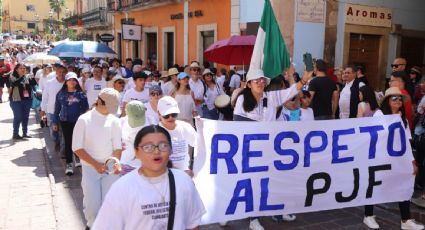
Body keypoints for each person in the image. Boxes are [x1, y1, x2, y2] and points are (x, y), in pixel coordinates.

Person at [233, 67, 312, 230]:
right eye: (257, 80)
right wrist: (263, 129)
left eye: (262, 80)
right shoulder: (242, 100)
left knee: (276, 180)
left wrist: (303, 80)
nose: (260, 82)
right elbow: (238, 123)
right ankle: (253, 218)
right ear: (249, 84)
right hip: (252, 150)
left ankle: (280, 209)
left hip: (271, 149)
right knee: (254, 183)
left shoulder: (271, 97)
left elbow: (291, 92)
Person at [92, 125, 205, 229]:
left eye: (163, 145)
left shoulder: (183, 181)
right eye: (148, 147)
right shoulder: (122, 188)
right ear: (136, 152)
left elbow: (193, 225)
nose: (156, 151)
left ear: (171, 150)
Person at [362, 87, 424, 230]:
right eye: (394, 98)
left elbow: (407, 141)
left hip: (398, 159)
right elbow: (379, 134)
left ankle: (406, 220)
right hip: (380, 157)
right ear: (387, 101)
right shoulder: (379, 114)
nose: (398, 101)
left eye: (400, 99)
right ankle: (368, 215)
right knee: (374, 184)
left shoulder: (403, 120)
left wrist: (412, 161)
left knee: (403, 184)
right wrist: (395, 119)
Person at [72, 88, 122, 230]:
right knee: (92, 208)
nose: (110, 110)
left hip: (110, 169)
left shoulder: (114, 121)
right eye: (108, 106)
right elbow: (76, 147)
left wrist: (115, 163)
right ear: (99, 101)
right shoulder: (84, 120)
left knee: (109, 205)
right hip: (90, 168)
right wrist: (95, 164)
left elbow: (117, 146)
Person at [52, 72, 89, 175]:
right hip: (65, 121)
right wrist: (54, 122)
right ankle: (69, 163)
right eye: (69, 80)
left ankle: (77, 157)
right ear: (66, 82)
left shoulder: (81, 94)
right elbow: (57, 109)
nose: (72, 82)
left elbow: (86, 108)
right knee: (68, 142)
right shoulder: (61, 94)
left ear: (77, 82)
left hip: (79, 121)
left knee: (78, 141)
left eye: (74, 80)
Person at [157, 96, 197, 177]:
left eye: (174, 114)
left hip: (184, 175)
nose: (171, 118)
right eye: (166, 115)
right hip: (163, 176)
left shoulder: (186, 127)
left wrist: (202, 127)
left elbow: (199, 146)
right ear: (159, 114)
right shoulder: (155, 132)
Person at [41, 64, 67, 152]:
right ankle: (56, 141)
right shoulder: (49, 83)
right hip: (52, 111)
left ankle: (63, 150)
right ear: (56, 72)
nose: (61, 74)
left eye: (63, 72)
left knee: (63, 132)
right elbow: (45, 97)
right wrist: (43, 109)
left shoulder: (68, 83)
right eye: (60, 72)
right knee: (53, 131)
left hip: (65, 111)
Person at [9, 63, 37, 139]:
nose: (23, 69)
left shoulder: (28, 76)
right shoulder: (12, 76)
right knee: (18, 117)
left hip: (27, 100)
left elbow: (34, 83)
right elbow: (15, 83)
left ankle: (25, 133)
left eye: (24, 68)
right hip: (16, 100)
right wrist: (23, 77)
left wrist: (33, 77)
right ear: (16, 69)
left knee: (25, 117)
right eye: (21, 68)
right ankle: (15, 134)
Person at [120, 101, 146, 174]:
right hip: (123, 165)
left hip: (142, 166)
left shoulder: (151, 121)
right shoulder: (120, 122)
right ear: (127, 113)